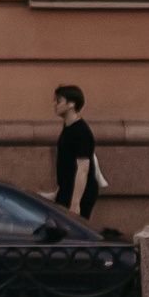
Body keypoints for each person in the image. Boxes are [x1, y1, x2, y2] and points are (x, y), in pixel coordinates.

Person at [53, 84, 102, 223]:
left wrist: (75, 203)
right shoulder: (68, 127)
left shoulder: (81, 131)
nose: (55, 104)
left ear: (71, 104)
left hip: (80, 194)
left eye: (58, 101)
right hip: (67, 190)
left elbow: (83, 168)